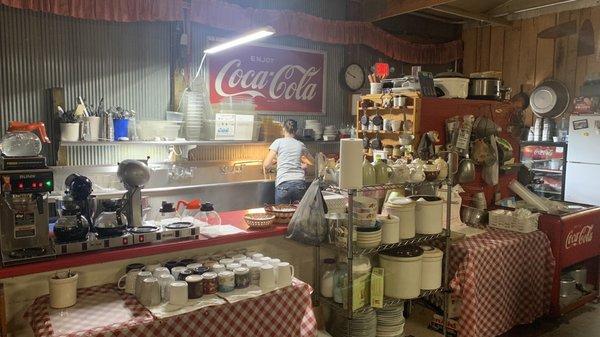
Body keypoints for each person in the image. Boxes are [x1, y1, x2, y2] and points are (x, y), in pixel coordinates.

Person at [263, 119, 314, 204]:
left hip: (283, 183)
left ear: (283, 129)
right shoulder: (300, 144)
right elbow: (313, 162)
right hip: (299, 184)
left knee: (282, 215)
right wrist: (301, 161)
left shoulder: (278, 142)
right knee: (298, 215)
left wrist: (278, 167)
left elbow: (266, 164)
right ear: (296, 131)